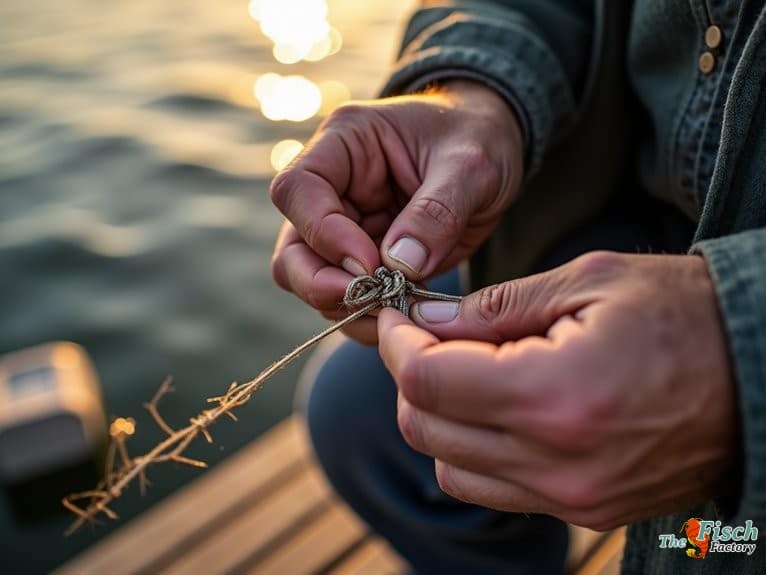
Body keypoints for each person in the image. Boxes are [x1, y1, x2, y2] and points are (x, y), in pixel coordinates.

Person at [269, 1, 766, 573]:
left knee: (709, 540)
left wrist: (741, 355)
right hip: (617, 222)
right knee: (355, 409)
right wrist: (476, 93)